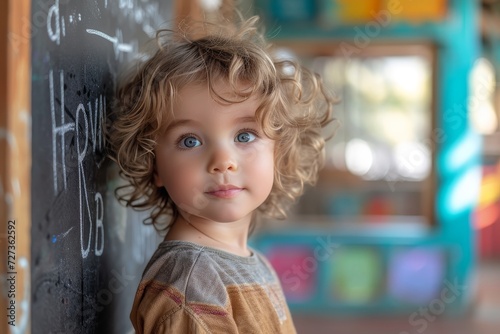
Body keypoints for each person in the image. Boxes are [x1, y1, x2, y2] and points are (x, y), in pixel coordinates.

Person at [107, 13, 334, 334]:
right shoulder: (189, 288)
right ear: (153, 163)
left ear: (277, 151)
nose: (223, 161)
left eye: (244, 136)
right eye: (190, 140)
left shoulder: (247, 262)